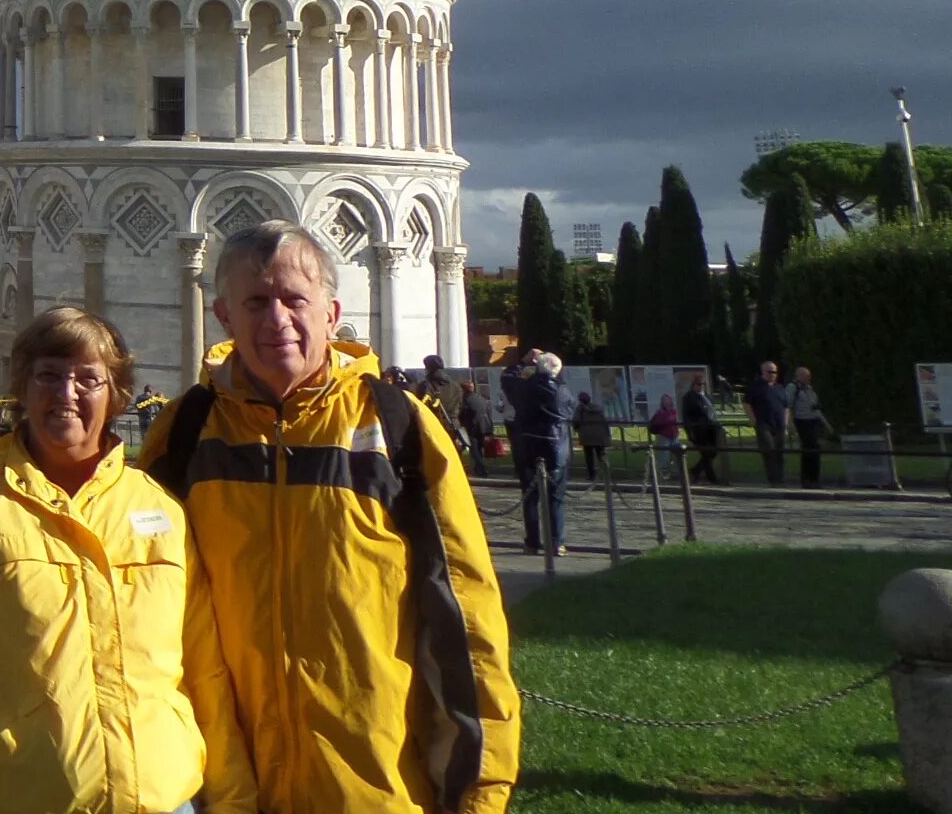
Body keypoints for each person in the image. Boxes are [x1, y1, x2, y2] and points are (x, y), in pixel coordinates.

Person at [143, 220, 518, 814]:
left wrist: (476, 793)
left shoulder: (397, 426)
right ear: (224, 318)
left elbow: (465, 614)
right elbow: (140, 602)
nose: (277, 321)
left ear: (331, 310)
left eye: (295, 300)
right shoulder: (185, 433)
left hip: (374, 783)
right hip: (225, 783)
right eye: (256, 302)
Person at [0, 306, 255, 814]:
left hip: (162, 800)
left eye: (89, 379)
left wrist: (234, 801)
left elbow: (205, 672)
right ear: (23, 386)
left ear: (115, 396)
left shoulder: (158, 509)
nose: (67, 394)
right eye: (49, 376)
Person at [506, 352, 570, 555]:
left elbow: (507, 377)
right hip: (555, 444)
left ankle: (532, 542)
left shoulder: (522, 389)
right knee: (555, 497)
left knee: (530, 497)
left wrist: (523, 361)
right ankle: (556, 542)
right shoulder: (562, 391)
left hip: (528, 443)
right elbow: (571, 410)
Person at [744, 360, 791, 486]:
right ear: (763, 372)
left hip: (779, 424)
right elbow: (747, 404)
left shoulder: (780, 387)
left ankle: (780, 479)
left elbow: (786, 406)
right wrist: (753, 421)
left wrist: (785, 424)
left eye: (775, 372)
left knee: (779, 452)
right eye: (770, 372)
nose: (773, 374)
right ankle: (774, 480)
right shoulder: (755, 386)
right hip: (763, 424)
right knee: (769, 451)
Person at [679, 376, 725, 484]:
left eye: (703, 384)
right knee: (706, 453)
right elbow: (686, 416)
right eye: (699, 384)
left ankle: (694, 471)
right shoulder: (689, 397)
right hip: (699, 430)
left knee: (712, 453)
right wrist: (689, 432)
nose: (701, 386)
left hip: (712, 429)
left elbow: (711, 412)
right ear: (693, 385)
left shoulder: (706, 396)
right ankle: (713, 480)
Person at [790, 366, 826, 489]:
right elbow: (788, 407)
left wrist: (826, 424)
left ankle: (814, 479)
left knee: (815, 449)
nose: (809, 378)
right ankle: (806, 479)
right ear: (798, 376)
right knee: (808, 450)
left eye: (809, 375)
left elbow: (816, 408)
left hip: (813, 422)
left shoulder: (810, 389)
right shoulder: (793, 388)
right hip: (802, 422)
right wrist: (791, 425)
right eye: (806, 375)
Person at [572, 383, 612, 480]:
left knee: (589, 457)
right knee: (601, 455)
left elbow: (576, 420)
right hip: (599, 435)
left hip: (587, 436)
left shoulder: (580, 409)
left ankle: (592, 475)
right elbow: (604, 421)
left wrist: (576, 428)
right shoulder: (598, 408)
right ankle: (605, 474)